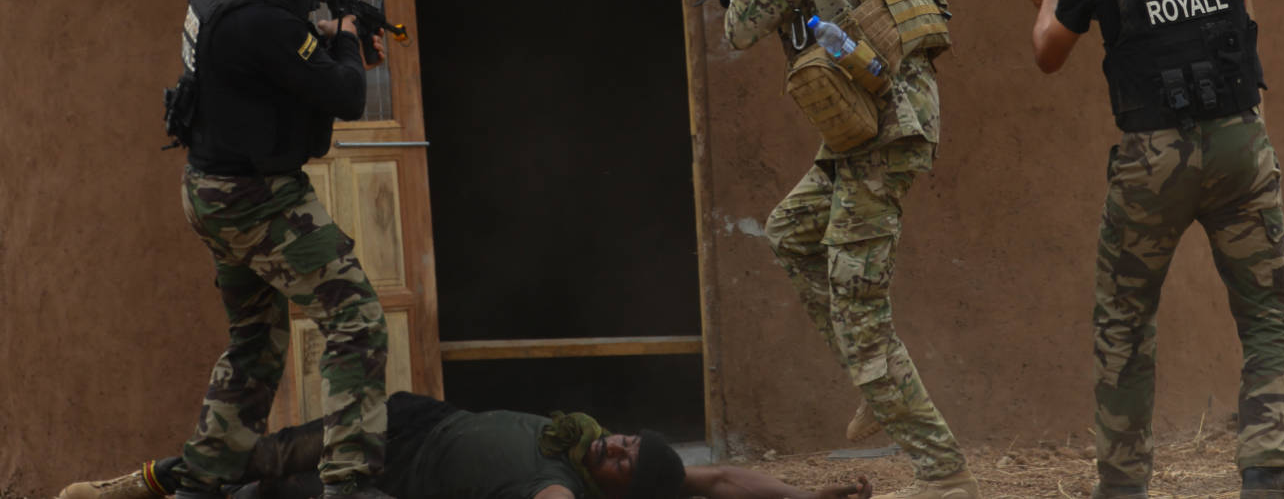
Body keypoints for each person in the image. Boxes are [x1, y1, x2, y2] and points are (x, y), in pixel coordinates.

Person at [1021, 0, 1284, 499]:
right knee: (1267, 310)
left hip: (1154, 159)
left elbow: (1048, 55)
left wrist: (1049, 0)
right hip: (1240, 142)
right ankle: (1268, 464)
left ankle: (1123, 484)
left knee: (1124, 324)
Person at [717, 0, 975, 499]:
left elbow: (739, 28)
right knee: (790, 231)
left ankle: (943, 474)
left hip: (879, 131)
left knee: (862, 313)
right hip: (882, 123)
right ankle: (875, 381)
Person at [172, 0, 391, 499]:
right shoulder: (264, 20)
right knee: (356, 321)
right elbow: (347, 96)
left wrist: (324, 31)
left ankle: (202, 481)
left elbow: (260, 63)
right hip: (257, 201)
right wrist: (344, 38)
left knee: (256, 340)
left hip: (211, 190)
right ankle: (350, 481)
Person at [56, 392, 873, 499]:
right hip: (412, 419)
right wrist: (813, 496)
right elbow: (721, 476)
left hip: (397, 475)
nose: (616, 447)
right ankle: (145, 481)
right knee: (263, 453)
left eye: (623, 460)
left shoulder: (561, 491)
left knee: (276, 493)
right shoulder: (581, 440)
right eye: (627, 439)